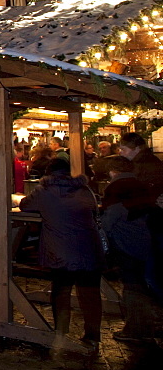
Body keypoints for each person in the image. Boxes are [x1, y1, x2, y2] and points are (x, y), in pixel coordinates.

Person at [19, 158, 103, 348]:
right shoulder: (84, 189)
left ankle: (61, 332)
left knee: (61, 291)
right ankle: (93, 335)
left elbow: (25, 205)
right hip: (90, 248)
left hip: (61, 250)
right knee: (90, 293)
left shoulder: (44, 191)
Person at [101, 156, 158, 343]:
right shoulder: (138, 184)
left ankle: (137, 329)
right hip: (145, 238)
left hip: (126, 241)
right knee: (141, 282)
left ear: (112, 171)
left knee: (132, 285)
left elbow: (111, 218)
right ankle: (145, 324)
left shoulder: (117, 188)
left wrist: (103, 237)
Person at [118, 132, 163, 204]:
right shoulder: (142, 161)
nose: (121, 153)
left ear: (137, 148)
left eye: (123, 150)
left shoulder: (145, 164)